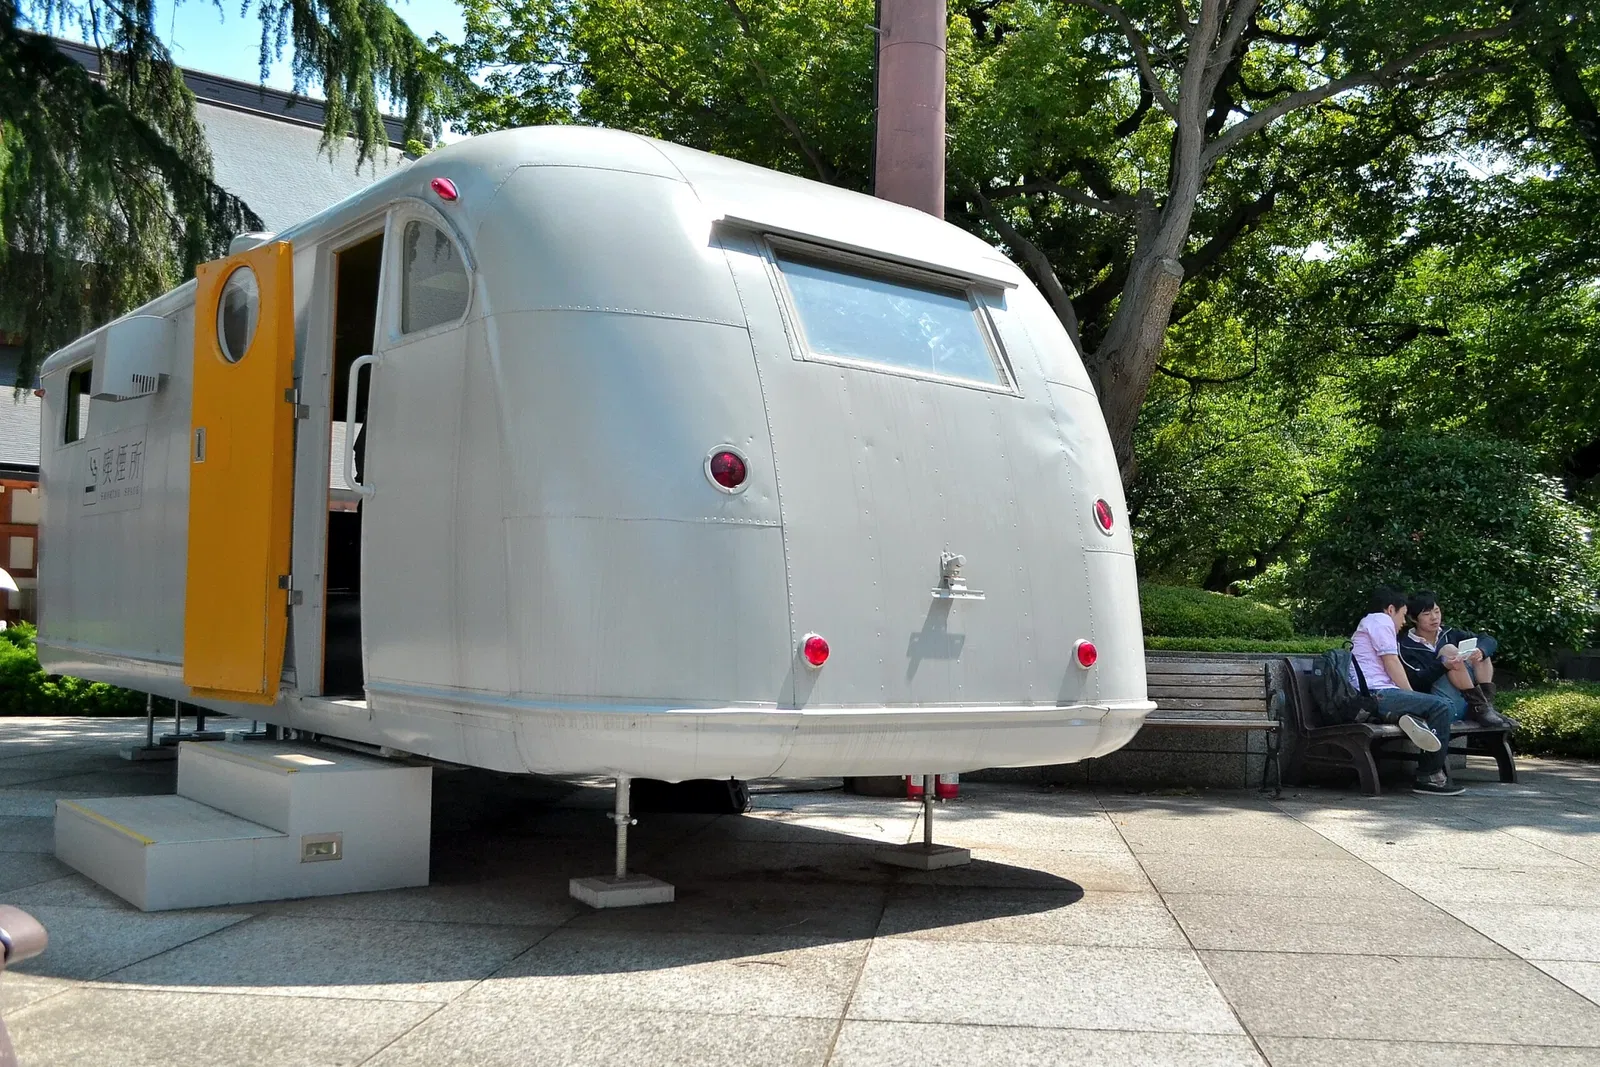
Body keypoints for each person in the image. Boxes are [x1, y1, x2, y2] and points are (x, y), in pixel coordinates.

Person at [1349, 587, 1463, 795]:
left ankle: (1404, 715)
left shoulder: (1370, 623)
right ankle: (1428, 776)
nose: (1403, 622)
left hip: (1378, 693)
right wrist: (1412, 696)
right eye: (1403, 614)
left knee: (1432, 706)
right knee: (1442, 706)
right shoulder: (1380, 621)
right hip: (1376, 694)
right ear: (1391, 609)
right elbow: (1391, 662)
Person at [1399, 592, 1508, 728]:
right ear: (1413, 618)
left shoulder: (1450, 633)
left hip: (1467, 700)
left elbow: (1488, 640)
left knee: (1480, 651)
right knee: (1449, 650)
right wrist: (1443, 665)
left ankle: (1485, 706)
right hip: (1441, 703)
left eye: (1437, 611)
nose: (1434, 618)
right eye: (1426, 614)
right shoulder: (1405, 646)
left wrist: (1481, 650)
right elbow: (1417, 682)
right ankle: (1480, 707)